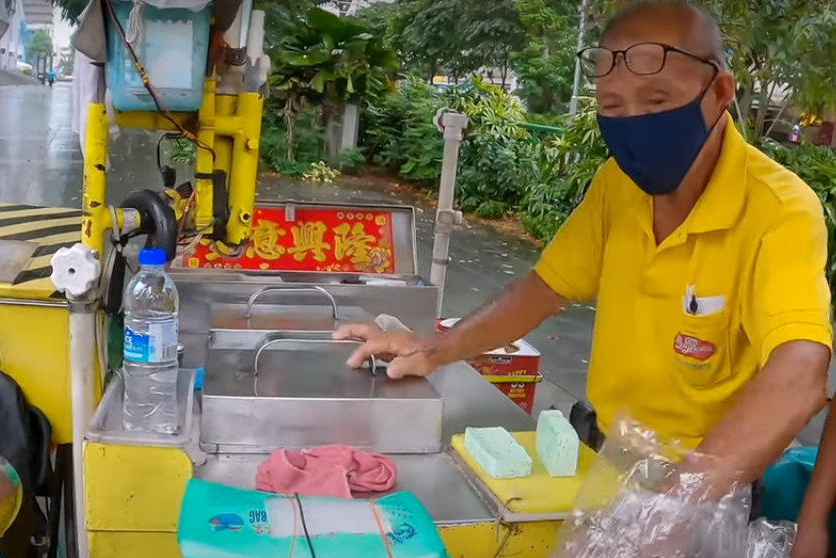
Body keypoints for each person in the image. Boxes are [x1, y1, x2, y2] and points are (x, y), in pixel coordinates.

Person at [337, 0, 830, 511]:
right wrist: (433, 350)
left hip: (709, 491)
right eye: (613, 106)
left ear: (720, 93)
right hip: (603, 458)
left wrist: (674, 507)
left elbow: (799, 375)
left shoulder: (779, 210)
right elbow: (542, 289)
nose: (634, 122)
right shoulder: (618, 186)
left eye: (657, 99)